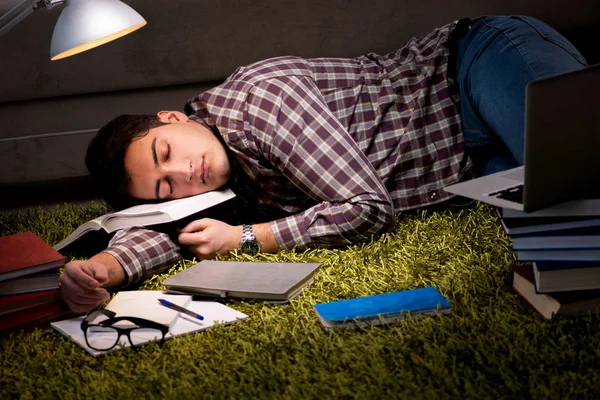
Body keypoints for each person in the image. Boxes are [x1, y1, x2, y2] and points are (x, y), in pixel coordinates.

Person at [59, 15, 587, 312]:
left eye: (167, 152)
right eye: (165, 187)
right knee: (573, 250)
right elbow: (173, 230)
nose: (185, 176)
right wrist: (104, 268)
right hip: (472, 160)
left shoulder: (261, 103)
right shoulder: (214, 179)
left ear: (173, 116)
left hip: (477, 66)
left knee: (583, 176)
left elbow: (367, 209)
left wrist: (248, 238)